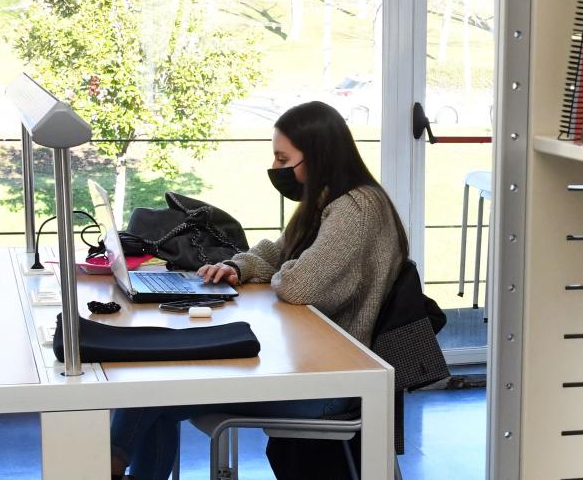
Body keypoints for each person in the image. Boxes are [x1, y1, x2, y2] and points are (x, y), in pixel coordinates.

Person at [110, 101, 408, 480]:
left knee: (156, 391)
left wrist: (281, 271)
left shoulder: (356, 208)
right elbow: (276, 252)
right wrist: (237, 265)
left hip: (333, 385)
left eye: (284, 159)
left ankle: (110, 464)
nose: (277, 168)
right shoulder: (327, 200)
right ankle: (113, 464)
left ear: (317, 155)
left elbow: (298, 283)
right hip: (312, 363)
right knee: (154, 389)